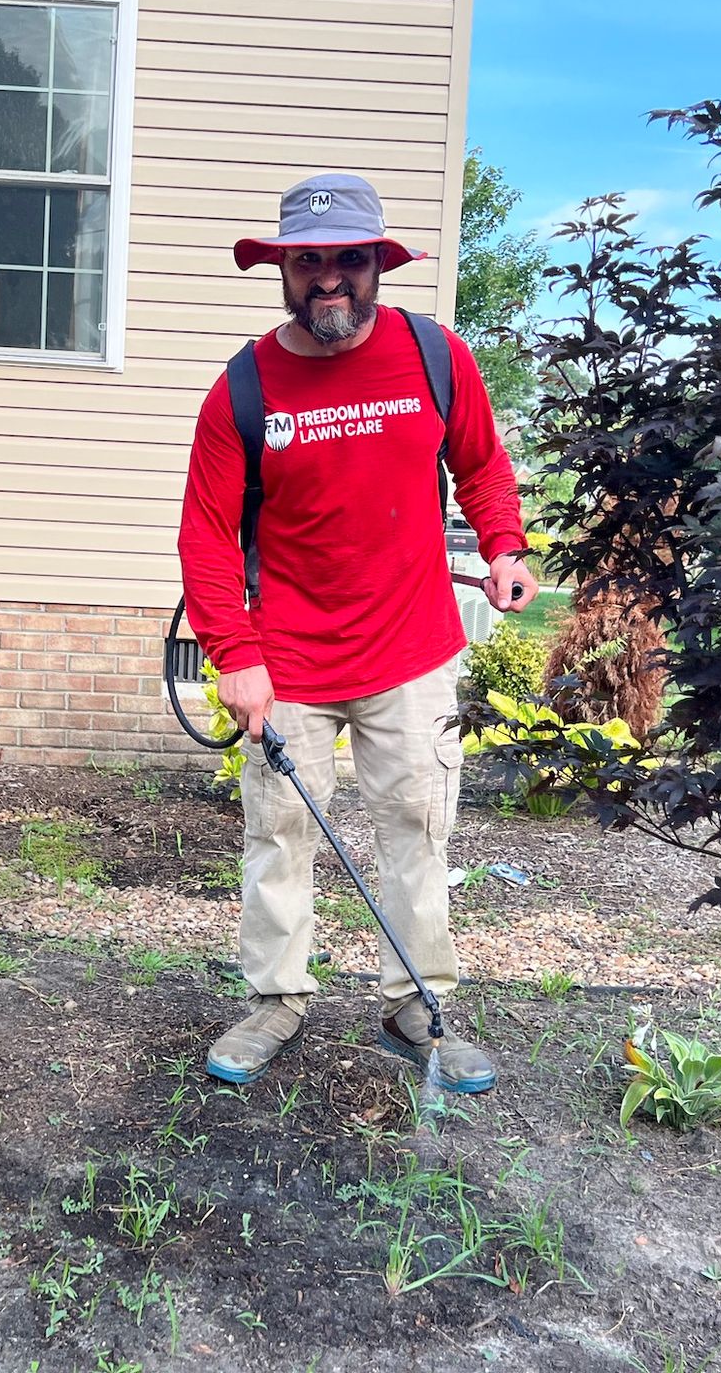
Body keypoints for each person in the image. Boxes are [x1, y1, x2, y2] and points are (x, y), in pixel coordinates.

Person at [177, 171, 538, 1094]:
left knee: (418, 827)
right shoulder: (244, 390)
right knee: (280, 832)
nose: (329, 278)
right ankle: (277, 1000)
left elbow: (485, 468)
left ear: (379, 264)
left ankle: (419, 1006)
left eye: (348, 259)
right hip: (288, 662)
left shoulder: (435, 357)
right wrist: (237, 659)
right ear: (284, 268)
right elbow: (208, 540)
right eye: (310, 261)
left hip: (411, 653)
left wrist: (504, 548)